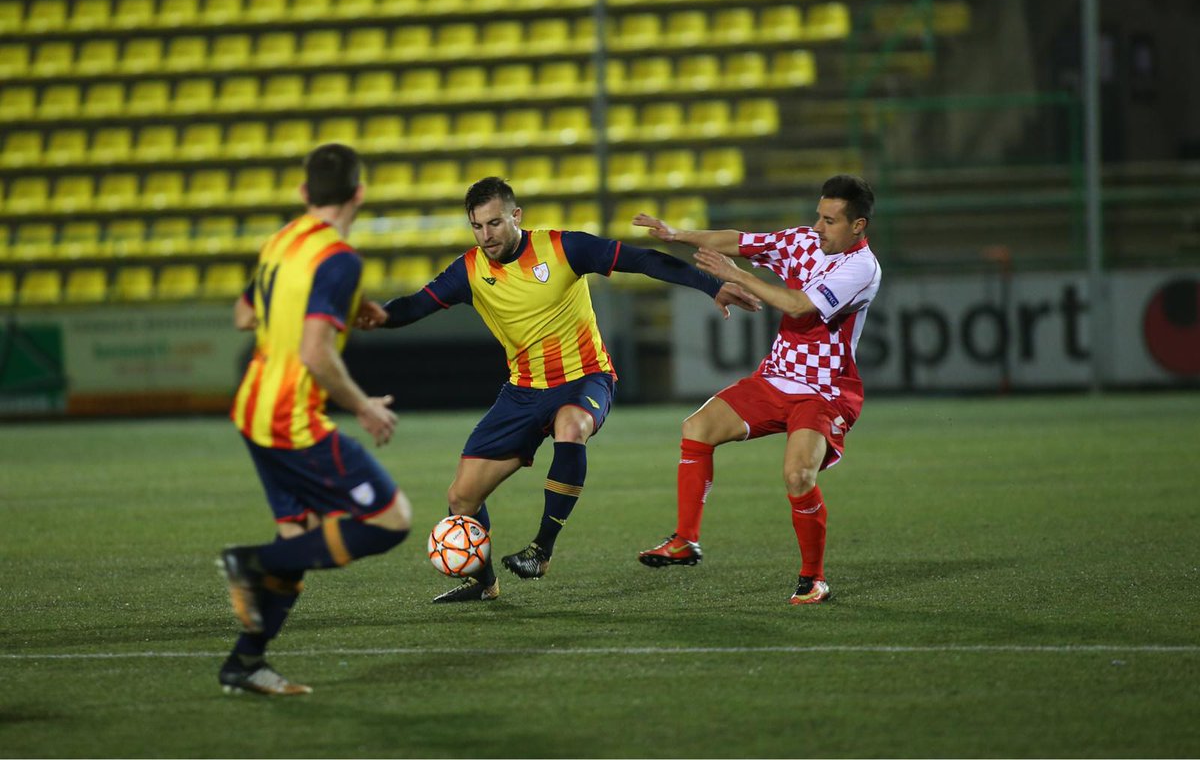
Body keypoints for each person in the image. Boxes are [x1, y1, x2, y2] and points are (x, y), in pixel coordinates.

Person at [356, 176, 759, 602]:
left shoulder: (564, 248)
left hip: (586, 377)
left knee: (571, 425)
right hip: (523, 391)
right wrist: (378, 315)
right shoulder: (469, 271)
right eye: (477, 227)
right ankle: (483, 582)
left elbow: (642, 260)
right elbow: (416, 304)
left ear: (516, 216)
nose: (486, 235)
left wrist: (714, 286)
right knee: (461, 497)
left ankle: (541, 549)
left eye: (494, 223)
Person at [217, 143, 413, 695]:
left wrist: (351, 301)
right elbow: (315, 354)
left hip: (251, 410)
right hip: (290, 420)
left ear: (304, 193)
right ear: (360, 194)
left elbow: (243, 314)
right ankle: (248, 563)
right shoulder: (340, 259)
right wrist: (364, 406)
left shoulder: (281, 242)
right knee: (391, 518)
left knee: (298, 544)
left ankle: (245, 663)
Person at [634, 174, 882, 605]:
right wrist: (678, 234)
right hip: (775, 378)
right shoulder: (805, 240)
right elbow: (743, 240)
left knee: (797, 475)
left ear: (857, 226)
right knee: (696, 428)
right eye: (818, 216)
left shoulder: (861, 268)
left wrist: (736, 277)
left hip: (823, 391)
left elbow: (799, 305)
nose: (818, 227)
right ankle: (684, 540)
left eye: (830, 220)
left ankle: (813, 578)